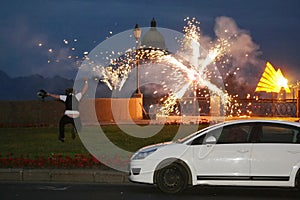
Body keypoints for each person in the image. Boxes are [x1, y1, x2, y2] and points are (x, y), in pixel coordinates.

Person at [47, 78, 88, 142]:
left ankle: (62, 137)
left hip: (68, 115)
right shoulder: (77, 96)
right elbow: (84, 90)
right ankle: (76, 129)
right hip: (76, 116)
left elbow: (57, 96)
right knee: (79, 128)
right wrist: (86, 81)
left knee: (61, 124)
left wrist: (49, 94)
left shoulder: (65, 97)